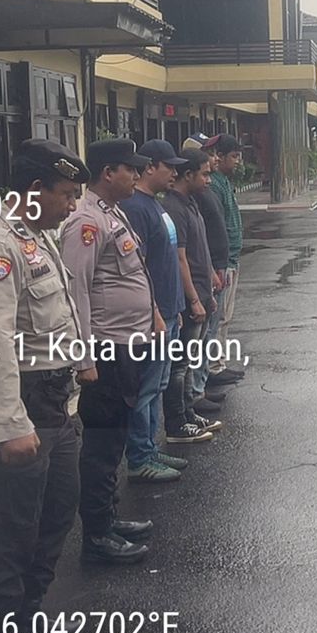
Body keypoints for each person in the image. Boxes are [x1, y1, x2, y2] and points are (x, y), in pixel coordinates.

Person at [0, 138, 91, 633]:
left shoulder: (39, 238)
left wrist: (80, 365)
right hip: (20, 404)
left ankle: (27, 616)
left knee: (57, 513)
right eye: (67, 194)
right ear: (35, 190)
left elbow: (60, 316)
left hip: (56, 401)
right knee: (10, 528)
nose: (72, 205)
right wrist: (10, 425)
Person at [60, 138, 162, 566]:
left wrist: (152, 314)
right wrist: (84, 357)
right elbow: (76, 291)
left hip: (127, 346)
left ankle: (110, 516)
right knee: (101, 447)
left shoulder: (113, 213)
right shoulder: (86, 222)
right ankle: (97, 534)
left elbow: (133, 273)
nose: (136, 175)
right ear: (107, 173)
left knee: (116, 439)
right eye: (129, 169)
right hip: (106, 350)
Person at [118, 139, 188, 484]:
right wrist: (156, 312)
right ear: (150, 167)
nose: (174, 173)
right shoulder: (135, 208)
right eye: (169, 166)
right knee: (145, 389)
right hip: (153, 316)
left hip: (169, 310)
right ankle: (139, 457)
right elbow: (138, 269)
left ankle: (149, 446)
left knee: (158, 385)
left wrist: (177, 306)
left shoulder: (155, 205)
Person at [162, 150, 222, 444]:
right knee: (180, 365)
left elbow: (201, 249)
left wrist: (210, 278)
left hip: (201, 289)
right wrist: (194, 299)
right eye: (205, 174)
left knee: (189, 360)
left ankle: (189, 412)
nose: (208, 180)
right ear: (188, 175)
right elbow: (180, 257)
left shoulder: (191, 202)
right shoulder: (173, 208)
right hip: (188, 297)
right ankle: (177, 422)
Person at [184, 138, 229, 418]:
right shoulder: (185, 202)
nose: (214, 159)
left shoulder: (201, 195)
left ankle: (200, 384)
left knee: (209, 333)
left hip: (214, 270)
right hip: (202, 280)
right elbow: (183, 254)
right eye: (208, 155)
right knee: (197, 342)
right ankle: (194, 393)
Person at [206, 134, 246, 386]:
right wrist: (222, 262)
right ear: (218, 157)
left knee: (225, 315)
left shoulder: (224, 183)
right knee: (218, 316)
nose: (238, 162)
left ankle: (218, 362)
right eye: (234, 156)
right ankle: (213, 367)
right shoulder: (214, 186)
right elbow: (217, 227)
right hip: (223, 261)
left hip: (231, 258)